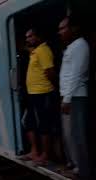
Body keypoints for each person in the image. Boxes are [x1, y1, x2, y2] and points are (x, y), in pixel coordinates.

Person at [58, 16, 91, 179]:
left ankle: (83, 172)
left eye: (63, 28)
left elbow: (76, 75)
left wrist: (67, 99)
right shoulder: (72, 46)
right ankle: (76, 167)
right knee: (71, 134)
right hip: (70, 96)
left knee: (78, 136)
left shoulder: (80, 45)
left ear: (74, 28)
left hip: (75, 97)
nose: (60, 32)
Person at [21, 28, 56, 165]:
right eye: (27, 37)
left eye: (30, 36)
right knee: (28, 121)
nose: (28, 39)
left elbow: (50, 72)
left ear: (38, 36)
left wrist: (54, 89)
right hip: (33, 94)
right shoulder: (35, 51)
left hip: (43, 93)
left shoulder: (43, 50)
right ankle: (34, 151)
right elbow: (26, 48)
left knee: (44, 124)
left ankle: (45, 155)